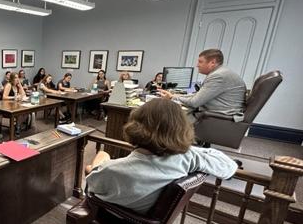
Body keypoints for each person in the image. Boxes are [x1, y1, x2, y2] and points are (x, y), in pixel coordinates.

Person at [85, 98, 237, 214]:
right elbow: (229, 167)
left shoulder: (115, 170)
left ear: (136, 125)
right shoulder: (187, 157)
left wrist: (97, 165)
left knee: (102, 154)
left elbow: (91, 186)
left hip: (117, 216)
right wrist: (183, 146)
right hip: (151, 217)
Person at [158, 49, 246, 123]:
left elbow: (195, 102)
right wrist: (174, 96)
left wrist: (172, 98)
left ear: (212, 62)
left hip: (218, 117)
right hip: (220, 114)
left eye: (200, 61)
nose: (197, 65)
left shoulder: (218, 76)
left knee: (167, 118)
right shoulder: (221, 72)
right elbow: (198, 95)